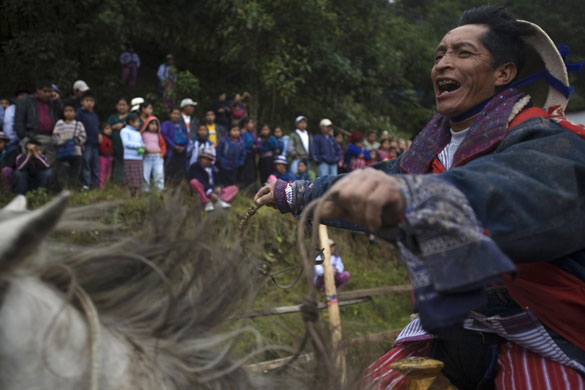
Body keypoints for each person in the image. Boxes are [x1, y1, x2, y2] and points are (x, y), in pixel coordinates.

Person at [255, 6, 585, 389]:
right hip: (448, 328)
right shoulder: (427, 154)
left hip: (544, 331)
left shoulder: (547, 142)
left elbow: (512, 188)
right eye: (440, 54)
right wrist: (294, 193)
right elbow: (372, 181)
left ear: (503, 73)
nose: (444, 63)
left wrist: (415, 194)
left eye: (463, 53)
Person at [14, 80, 62, 165]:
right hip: (32, 136)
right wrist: (24, 138)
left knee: (47, 166)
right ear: (38, 90)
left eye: (49, 91)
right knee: (29, 164)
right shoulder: (26, 101)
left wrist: (58, 101)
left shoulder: (54, 102)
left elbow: (64, 116)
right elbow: (19, 122)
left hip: (50, 138)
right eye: (45, 91)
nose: (47, 94)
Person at [52, 103, 86, 188]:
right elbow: (54, 137)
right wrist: (64, 142)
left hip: (76, 152)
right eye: (66, 111)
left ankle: (73, 188)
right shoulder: (59, 123)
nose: (68, 113)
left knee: (75, 171)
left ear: (75, 113)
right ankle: (63, 188)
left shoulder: (79, 124)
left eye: (71, 111)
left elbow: (83, 136)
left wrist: (75, 142)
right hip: (63, 152)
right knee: (63, 170)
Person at [76, 91, 100, 189]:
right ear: (82, 102)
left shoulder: (94, 114)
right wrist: (81, 143)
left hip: (95, 143)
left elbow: (96, 127)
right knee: (86, 164)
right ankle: (86, 184)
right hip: (86, 143)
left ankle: (95, 185)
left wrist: (99, 134)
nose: (89, 103)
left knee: (95, 165)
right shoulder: (79, 114)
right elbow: (77, 129)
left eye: (91, 101)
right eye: (87, 100)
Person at [161, 107, 189, 184]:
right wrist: (174, 146)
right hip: (170, 152)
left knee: (179, 173)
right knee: (169, 172)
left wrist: (184, 147)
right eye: (174, 113)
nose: (176, 116)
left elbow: (187, 138)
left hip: (181, 152)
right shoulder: (166, 124)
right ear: (170, 114)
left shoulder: (182, 126)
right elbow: (164, 136)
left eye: (178, 114)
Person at [107, 97, 130, 184]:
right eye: (120, 105)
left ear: (128, 106)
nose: (122, 107)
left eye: (124, 105)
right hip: (114, 146)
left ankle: (127, 183)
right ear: (116, 106)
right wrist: (114, 127)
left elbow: (136, 128)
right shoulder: (112, 118)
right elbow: (106, 129)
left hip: (127, 147)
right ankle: (115, 183)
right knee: (116, 164)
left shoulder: (131, 117)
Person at [120, 113, 144, 197]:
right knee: (129, 176)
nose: (138, 123)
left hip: (138, 157)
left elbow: (141, 143)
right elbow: (126, 143)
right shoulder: (124, 131)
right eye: (137, 121)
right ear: (131, 122)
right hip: (129, 157)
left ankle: (137, 196)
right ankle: (128, 195)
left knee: (138, 176)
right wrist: (139, 146)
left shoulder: (137, 133)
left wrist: (143, 148)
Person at [139, 115, 166, 192]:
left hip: (158, 157)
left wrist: (162, 153)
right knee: (145, 175)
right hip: (147, 157)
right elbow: (139, 144)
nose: (154, 126)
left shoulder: (158, 135)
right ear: (147, 124)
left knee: (159, 174)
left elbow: (163, 145)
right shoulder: (142, 134)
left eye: (156, 124)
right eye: (152, 124)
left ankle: (159, 191)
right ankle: (145, 191)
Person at [237, 117, 258, 188]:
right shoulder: (241, 133)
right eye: (250, 123)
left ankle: (251, 187)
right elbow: (241, 144)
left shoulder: (251, 133)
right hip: (245, 155)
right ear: (245, 124)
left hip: (251, 154)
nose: (252, 125)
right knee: (246, 172)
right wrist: (251, 146)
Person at [98, 123, 114, 188]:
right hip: (103, 157)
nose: (109, 130)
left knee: (109, 172)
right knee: (102, 171)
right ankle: (101, 186)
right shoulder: (101, 137)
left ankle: (107, 184)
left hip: (110, 157)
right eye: (106, 129)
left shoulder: (110, 139)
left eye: (110, 129)